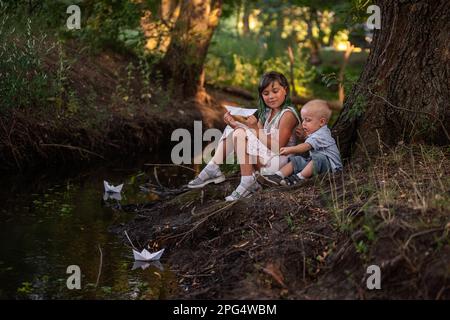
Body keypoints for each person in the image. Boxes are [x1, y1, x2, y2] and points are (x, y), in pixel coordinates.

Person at [187, 71, 300, 201]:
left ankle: (247, 182)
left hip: (279, 165)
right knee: (234, 129)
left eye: (275, 91)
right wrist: (235, 124)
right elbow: (258, 138)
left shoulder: (288, 114)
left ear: (285, 90)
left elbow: (277, 147)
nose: (271, 97)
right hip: (267, 158)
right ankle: (213, 167)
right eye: (266, 93)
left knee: (241, 132)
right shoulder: (267, 113)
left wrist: (254, 129)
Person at [259, 99, 342, 186]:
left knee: (319, 158)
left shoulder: (322, 134)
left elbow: (306, 146)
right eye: (303, 120)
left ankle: (298, 178)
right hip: (315, 164)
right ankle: (277, 176)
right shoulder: (316, 132)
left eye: (308, 120)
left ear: (321, 122)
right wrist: (304, 137)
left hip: (332, 169)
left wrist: (290, 149)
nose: (303, 124)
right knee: (297, 160)